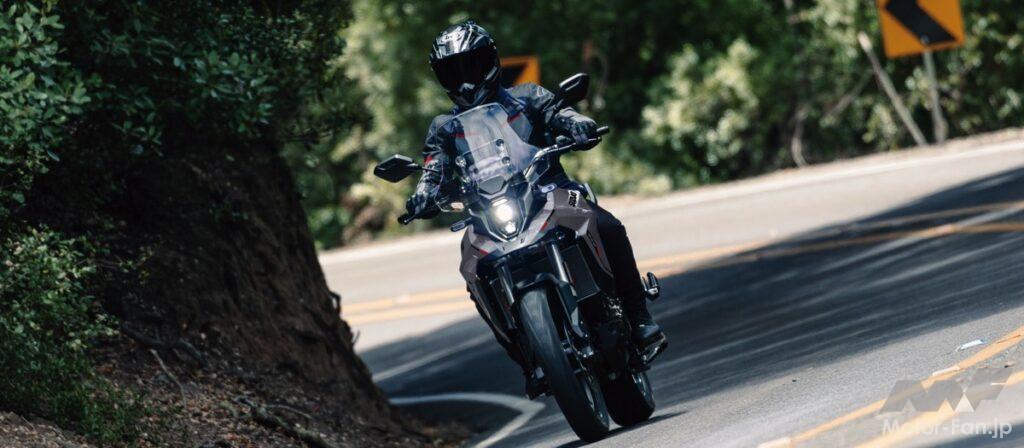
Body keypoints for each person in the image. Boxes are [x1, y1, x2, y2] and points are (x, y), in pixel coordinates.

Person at [406, 20, 663, 379]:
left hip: (549, 191)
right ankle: (527, 356)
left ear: (490, 61)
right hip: (488, 212)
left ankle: (639, 316)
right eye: (453, 72)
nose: (465, 80)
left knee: (607, 226)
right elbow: (433, 167)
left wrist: (578, 124)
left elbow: (560, 112)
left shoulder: (527, 96)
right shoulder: (443, 128)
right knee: (472, 267)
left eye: (471, 66)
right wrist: (423, 195)